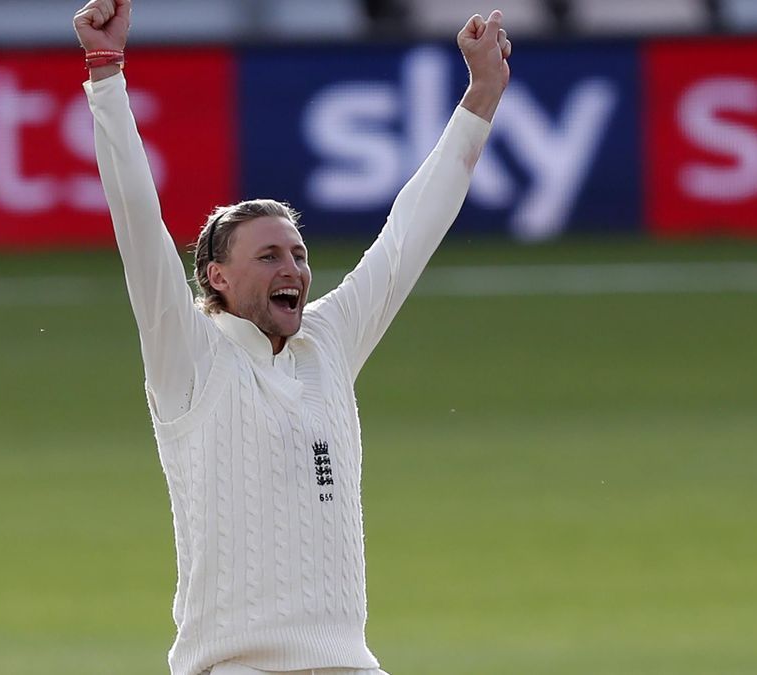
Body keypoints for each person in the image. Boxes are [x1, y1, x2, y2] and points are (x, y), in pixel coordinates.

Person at [73, 1, 510, 673]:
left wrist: (481, 97)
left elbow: (409, 234)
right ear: (216, 276)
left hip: (349, 661)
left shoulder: (327, 342)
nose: (294, 269)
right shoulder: (188, 355)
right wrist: (106, 75)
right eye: (270, 256)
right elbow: (137, 218)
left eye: (299, 254)